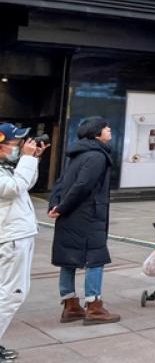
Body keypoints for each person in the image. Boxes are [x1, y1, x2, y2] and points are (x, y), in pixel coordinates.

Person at [48, 117, 120, 325]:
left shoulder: (76, 154)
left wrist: (56, 205)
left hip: (70, 215)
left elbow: (62, 182)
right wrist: (62, 207)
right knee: (95, 258)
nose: (109, 129)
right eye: (106, 127)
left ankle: (70, 306)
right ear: (96, 133)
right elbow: (82, 185)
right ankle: (94, 306)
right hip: (88, 215)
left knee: (68, 258)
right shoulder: (97, 156)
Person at [0, 123, 49, 361]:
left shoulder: (5, 167)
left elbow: (24, 185)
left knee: (8, 292)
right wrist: (27, 160)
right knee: (12, 294)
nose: (20, 147)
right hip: (11, 237)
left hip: (16, 234)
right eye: (16, 144)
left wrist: (33, 160)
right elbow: (13, 188)